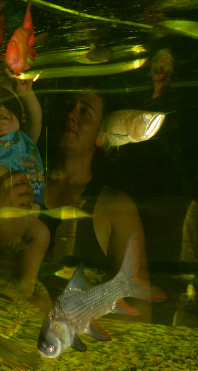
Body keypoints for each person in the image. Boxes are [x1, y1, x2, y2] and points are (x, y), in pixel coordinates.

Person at [42, 90, 151, 321]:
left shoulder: (115, 207)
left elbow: (140, 311)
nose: (71, 115)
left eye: (85, 112)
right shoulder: (26, 185)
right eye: (68, 105)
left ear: (101, 136)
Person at [0, 79, 50, 299]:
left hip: (28, 217)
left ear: (21, 118)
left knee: (42, 234)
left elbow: (36, 117)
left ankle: (26, 286)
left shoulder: (25, 138)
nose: (1, 109)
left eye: (10, 105)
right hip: (0, 216)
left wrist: (26, 93)